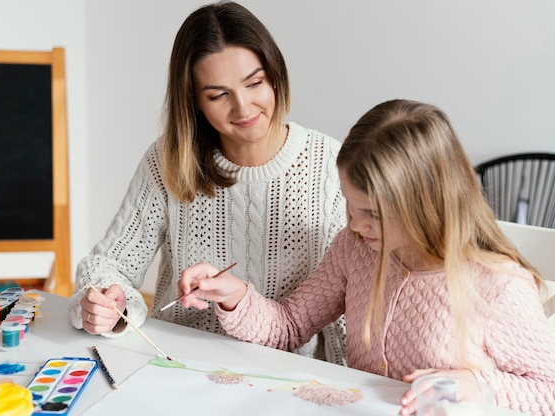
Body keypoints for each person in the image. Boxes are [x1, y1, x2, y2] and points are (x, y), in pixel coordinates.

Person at [177, 99, 555, 415]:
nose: (355, 223)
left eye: (372, 214)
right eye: (350, 205)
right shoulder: (354, 249)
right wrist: (234, 295)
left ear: (427, 204)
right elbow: (288, 327)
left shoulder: (497, 284)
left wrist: (481, 385)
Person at [67, 1, 348, 366]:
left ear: (276, 75)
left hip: (287, 374)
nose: (244, 108)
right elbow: (108, 266)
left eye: (255, 83)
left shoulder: (330, 165)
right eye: (218, 95)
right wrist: (111, 302)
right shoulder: (169, 162)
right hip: (180, 365)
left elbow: (349, 301)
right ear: (195, 101)